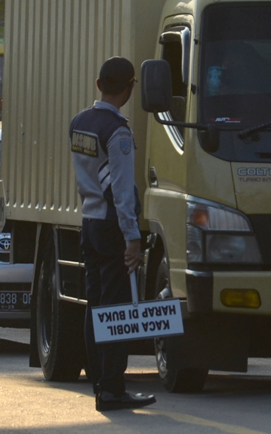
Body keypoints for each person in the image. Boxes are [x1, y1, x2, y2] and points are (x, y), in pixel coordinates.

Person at [69, 56, 156, 412]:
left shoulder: (80, 123)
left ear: (97, 83)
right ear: (130, 88)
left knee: (95, 305)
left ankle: (100, 382)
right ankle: (112, 388)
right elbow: (121, 190)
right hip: (111, 226)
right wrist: (132, 238)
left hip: (89, 221)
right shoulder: (117, 131)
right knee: (116, 309)